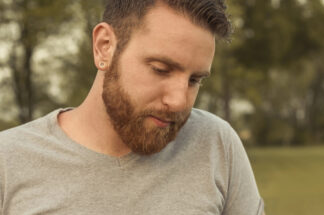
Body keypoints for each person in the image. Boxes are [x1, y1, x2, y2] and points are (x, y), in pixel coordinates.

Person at [0, 0, 264, 214]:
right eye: (161, 70)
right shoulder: (8, 161)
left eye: (194, 80)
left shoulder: (217, 144)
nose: (179, 101)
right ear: (105, 47)